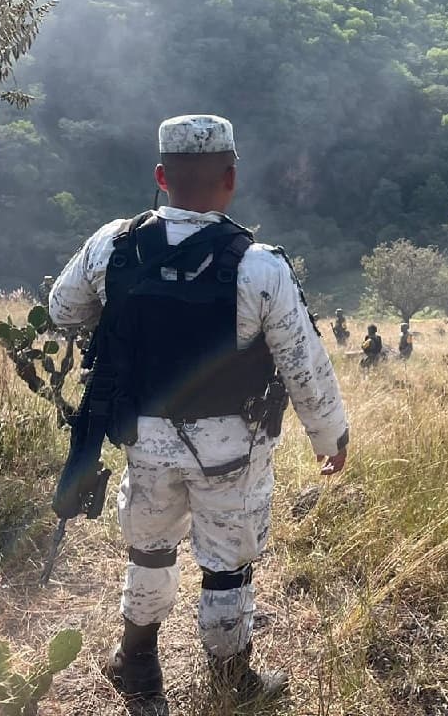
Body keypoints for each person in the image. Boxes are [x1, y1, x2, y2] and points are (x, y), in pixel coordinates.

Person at [48, 115, 349, 714]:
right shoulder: (259, 266)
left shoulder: (113, 246)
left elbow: (61, 310)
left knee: (150, 550)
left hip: (143, 437)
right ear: (230, 179)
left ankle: (137, 664)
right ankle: (232, 678)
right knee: (228, 564)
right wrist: (330, 437)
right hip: (232, 448)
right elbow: (304, 364)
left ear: (161, 177)